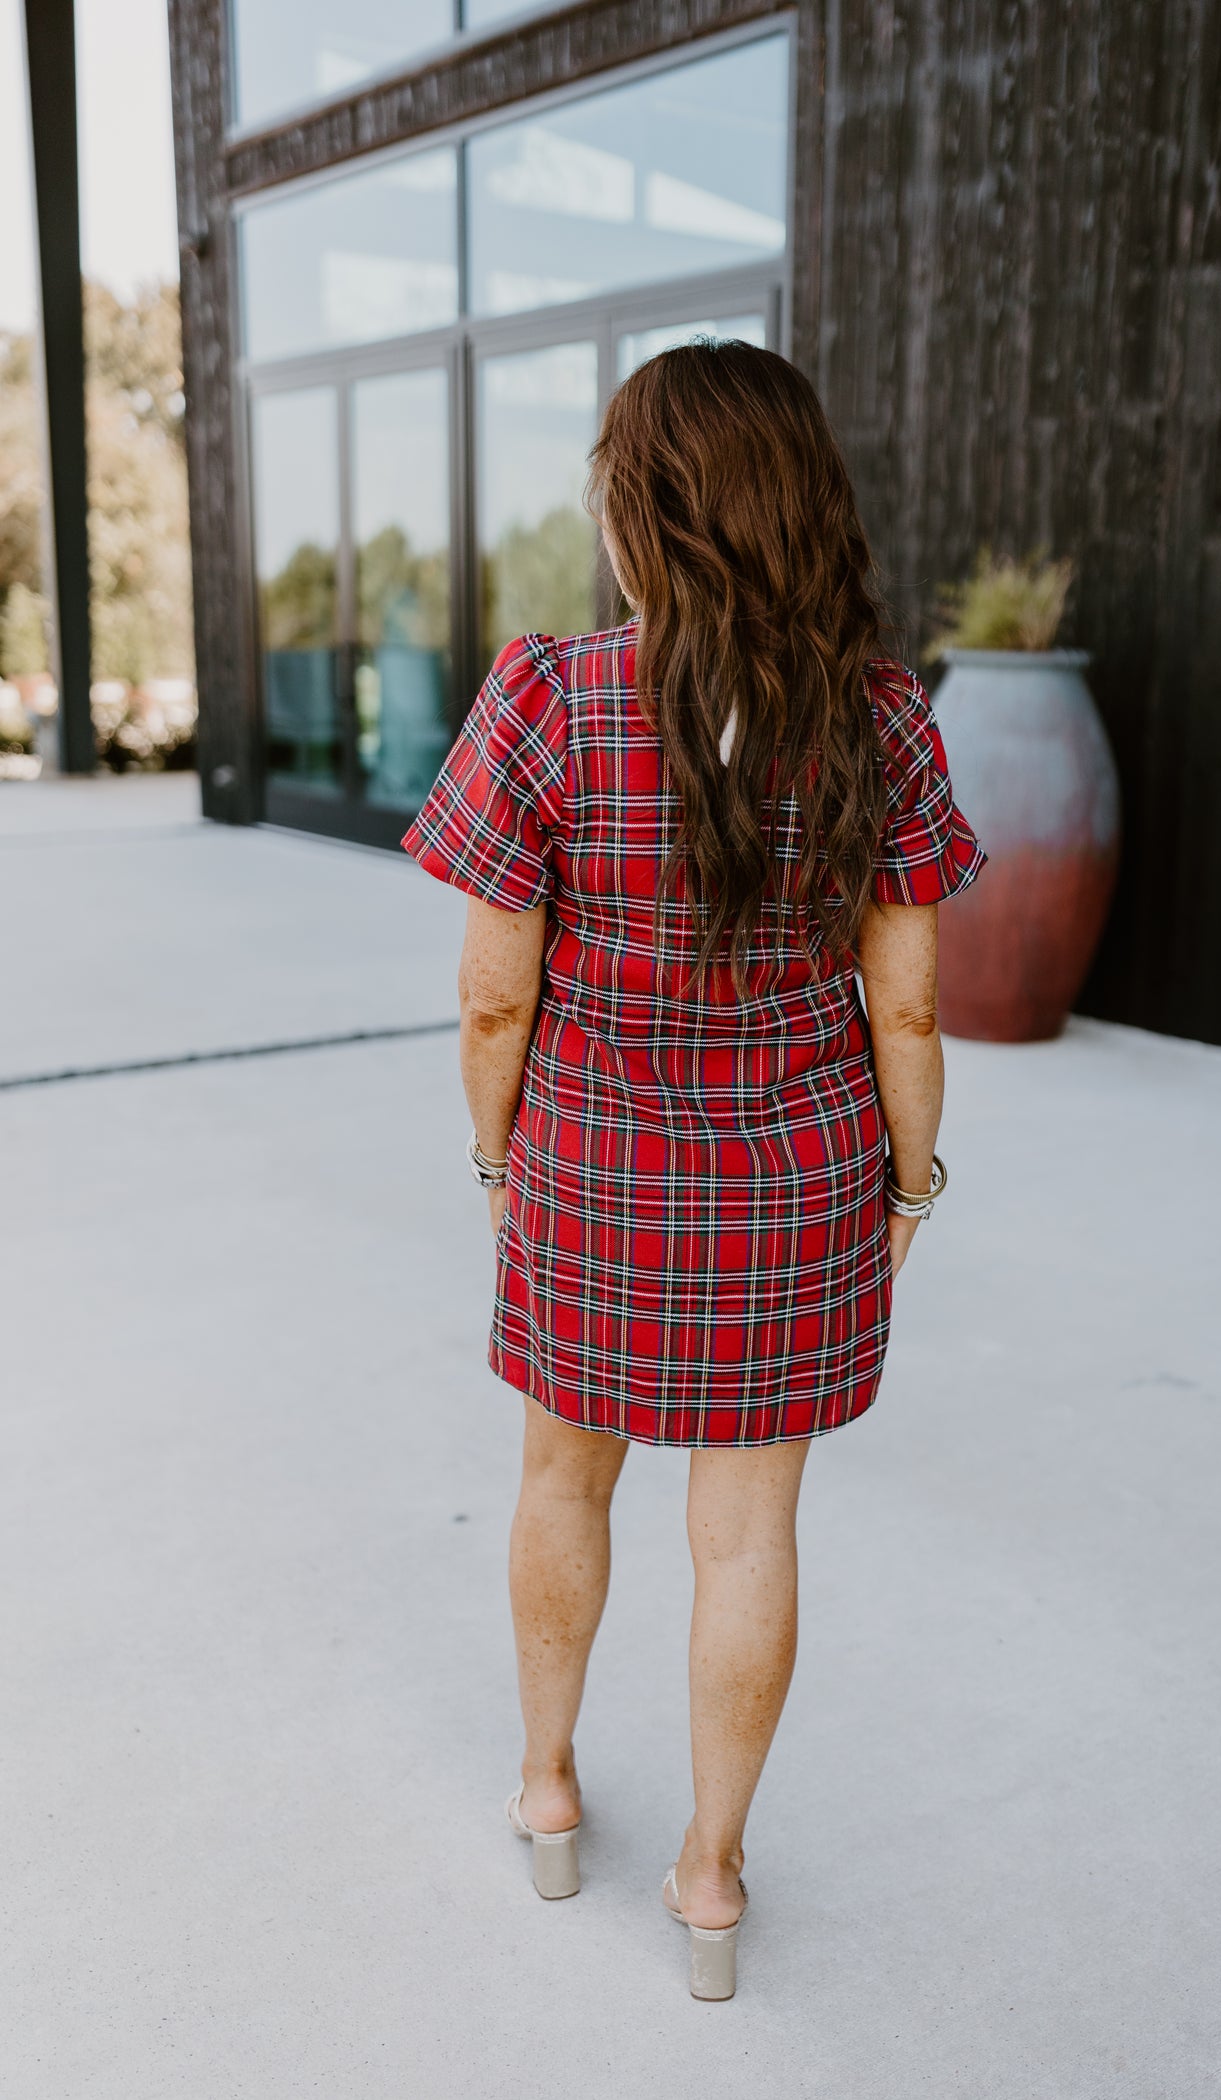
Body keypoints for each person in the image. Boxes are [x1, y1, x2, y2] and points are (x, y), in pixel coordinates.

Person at [402, 341, 984, 2000]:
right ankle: (715, 1881)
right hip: (797, 1189)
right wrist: (909, 1185)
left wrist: (502, 1156)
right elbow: (913, 1002)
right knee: (750, 1540)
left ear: (642, 505)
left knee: (560, 1483)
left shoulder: (550, 697)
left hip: (591, 1168)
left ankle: (546, 1794)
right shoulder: (879, 721)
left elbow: (495, 989)